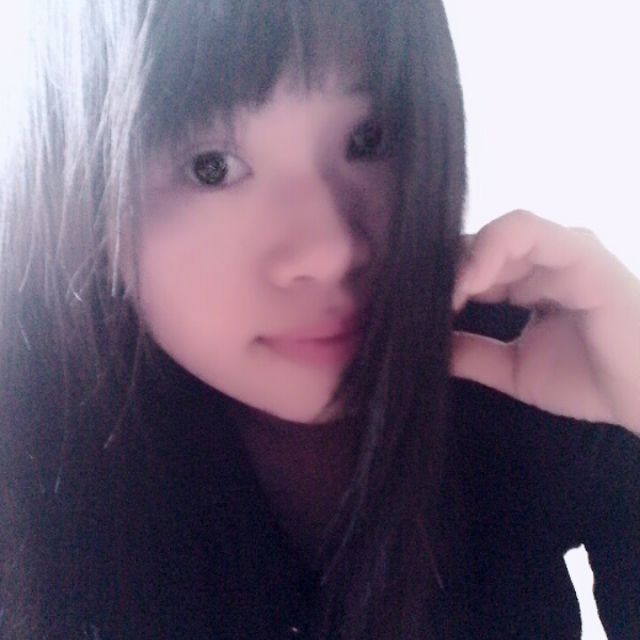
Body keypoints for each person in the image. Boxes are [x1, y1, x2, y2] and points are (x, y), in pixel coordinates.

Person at [0, 1, 638, 638]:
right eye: (210, 167)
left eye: (369, 140)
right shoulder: (27, 460)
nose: (332, 249)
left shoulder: (531, 354)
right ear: (69, 190)